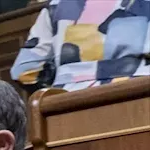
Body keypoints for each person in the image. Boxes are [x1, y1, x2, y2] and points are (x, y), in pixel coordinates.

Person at [12, 0, 150, 91]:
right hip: (138, 95)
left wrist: (67, 76)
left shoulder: (57, 5)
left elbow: (23, 72)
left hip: (68, 104)